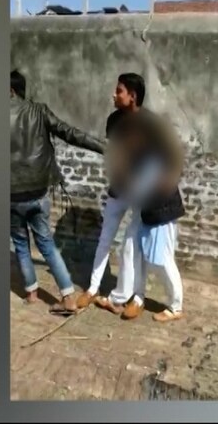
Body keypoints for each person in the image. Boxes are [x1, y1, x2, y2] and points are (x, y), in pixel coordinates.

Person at [10, 70, 105, 313]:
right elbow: (70, 133)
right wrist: (104, 148)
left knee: (20, 244)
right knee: (47, 245)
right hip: (38, 192)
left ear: (10, 90)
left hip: (11, 195)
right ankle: (68, 297)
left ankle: (31, 294)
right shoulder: (39, 111)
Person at [95, 98, 187, 322]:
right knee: (130, 248)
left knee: (162, 260)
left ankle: (176, 307)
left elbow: (143, 188)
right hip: (148, 213)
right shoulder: (140, 157)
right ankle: (123, 297)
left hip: (161, 213)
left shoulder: (154, 157)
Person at [75, 73, 148, 310]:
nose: (114, 95)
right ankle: (92, 288)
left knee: (136, 245)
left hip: (140, 193)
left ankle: (138, 297)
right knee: (105, 238)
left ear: (132, 96)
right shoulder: (114, 120)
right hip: (118, 188)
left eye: (119, 91)